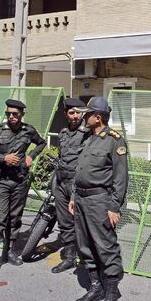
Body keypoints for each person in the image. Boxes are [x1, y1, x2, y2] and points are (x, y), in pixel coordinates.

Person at [68, 96, 127, 301]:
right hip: (82, 200)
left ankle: (111, 294)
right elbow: (80, 170)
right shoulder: (89, 138)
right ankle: (96, 287)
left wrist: (114, 206)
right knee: (84, 246)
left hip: (99, 202)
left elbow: (121, 178)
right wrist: (74, 195)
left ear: (98, 117)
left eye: (88, 114)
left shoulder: (114, 140)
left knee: (106, 247)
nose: (84, 117)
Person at [0, 99, 46, 277]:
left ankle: (9, 251)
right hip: (1, 180)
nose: (11, 117)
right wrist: (4, 159)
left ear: (21, 115)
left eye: (15, 114)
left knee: (15, 218)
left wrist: (31, 156)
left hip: (19, 181)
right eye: (8, 114)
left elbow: (41, 143)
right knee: (0, 219)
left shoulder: (29, 130)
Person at [50, 98, 88, 274]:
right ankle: (70, 258)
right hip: (62, 182)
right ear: (66, 114)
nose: (75, 116)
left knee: (82, 223)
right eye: (71, 113)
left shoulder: (88, 133)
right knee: (64, 222)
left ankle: (88, 259)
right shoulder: (63, 133)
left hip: (78, 184)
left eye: (78, 112)